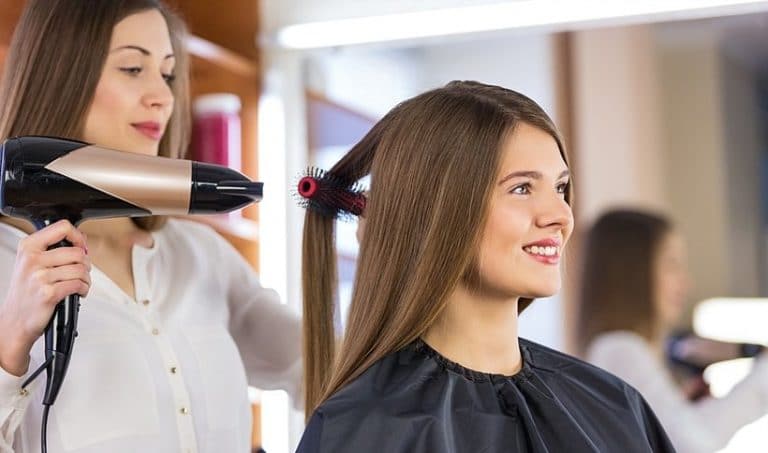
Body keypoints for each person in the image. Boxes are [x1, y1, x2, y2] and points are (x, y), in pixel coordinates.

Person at [295, 81, 675, 452]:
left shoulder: (615, 405)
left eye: (560, 188)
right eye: (522, 188)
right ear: (437, 211)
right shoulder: (370, 430)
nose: (561, 216)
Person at [0, 1, 301, 452]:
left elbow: (325, 370)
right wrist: (10, 344)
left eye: (168, 74)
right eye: (132, 68)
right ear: (60, 77)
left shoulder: (200, 255)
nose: (163, 96)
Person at [576, 208, 768, 453]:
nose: (685, 283)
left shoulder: (617, 350)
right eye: (672, 264)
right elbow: (692, 444)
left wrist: (686, 411)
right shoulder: (621, 349)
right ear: (633, 270)